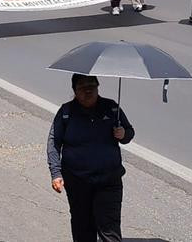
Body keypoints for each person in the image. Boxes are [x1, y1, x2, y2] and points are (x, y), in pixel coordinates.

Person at [47, 74, 134, 242]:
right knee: (82, 227)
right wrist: (56, 173)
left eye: (92, 86)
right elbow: (54, 142)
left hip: (109, 180)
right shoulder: (66, 112)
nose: (88, 91)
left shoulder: (112, 108)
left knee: (110, 230)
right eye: (82, 87)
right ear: (74, 91)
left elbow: (129, 132)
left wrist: (123, 133)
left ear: (98, 87)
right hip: (77, 181)